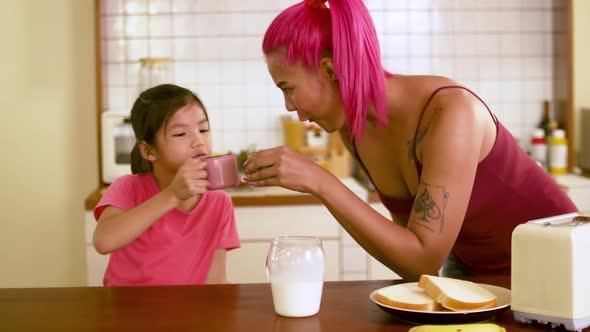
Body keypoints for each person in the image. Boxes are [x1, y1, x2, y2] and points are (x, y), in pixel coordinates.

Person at [243, 0, 577, 280]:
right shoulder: (354, 129)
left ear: (331, 72)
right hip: (475, 273)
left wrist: (322, 182)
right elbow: (409, 259)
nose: (288, 105)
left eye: (288, 88)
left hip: (560, 269)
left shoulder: (450, 112)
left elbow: (422, 259)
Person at [93, 84, 240, 286]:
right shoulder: (129, 188)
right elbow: (104, 241)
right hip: (125, 311)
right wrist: (173, 195)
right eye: (180, 134)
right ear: (149, 150)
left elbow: (216, 280)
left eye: (203, 129)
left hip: (186, 311)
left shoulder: (219, 201)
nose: (199, 141)